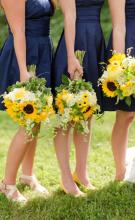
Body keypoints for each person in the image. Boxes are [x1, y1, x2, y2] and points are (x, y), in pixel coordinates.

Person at [0, 0, 82, 202]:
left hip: (43, 50)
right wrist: (23, 71)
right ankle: (7, 184)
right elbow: (18, 31)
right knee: (29, 121)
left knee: (37, 117)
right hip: (24, 55)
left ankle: (27, 175)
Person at [53, 0, 106, 196]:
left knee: (87, 112)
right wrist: (70, 56)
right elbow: (69, 15)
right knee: (66, 115)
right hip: (75, 45)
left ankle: (81, 173)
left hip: (94, 42)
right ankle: (66, 178)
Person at [104, 0, 135, 181]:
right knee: (126, 114)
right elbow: (118, 26)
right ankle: (120, 170)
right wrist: (119, 65)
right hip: (132, 44)